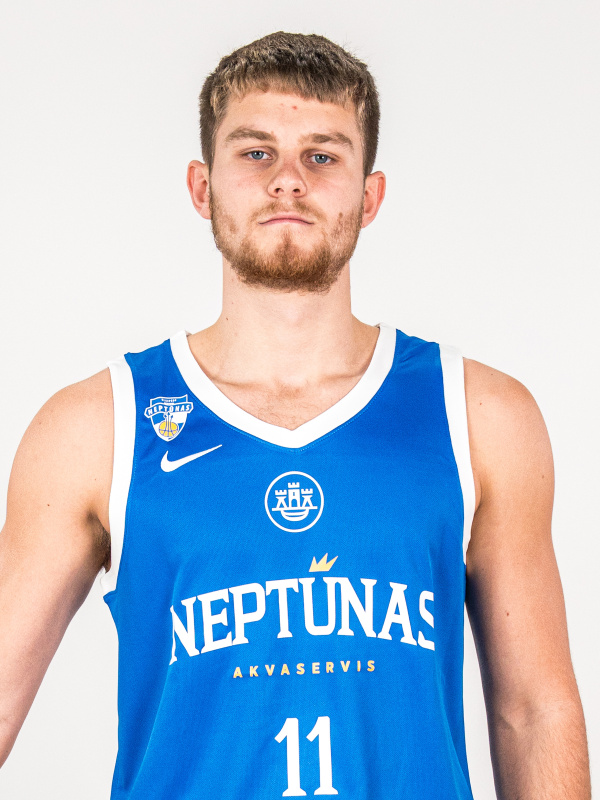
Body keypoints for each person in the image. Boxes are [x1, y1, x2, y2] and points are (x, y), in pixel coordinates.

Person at [0, 30, 590, 800]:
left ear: (369, 197)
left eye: (322, 155)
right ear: (202, 188)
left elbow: (534, 713)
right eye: (255, 153)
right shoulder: (97, 426)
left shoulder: (477, 414)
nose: (287, 180)